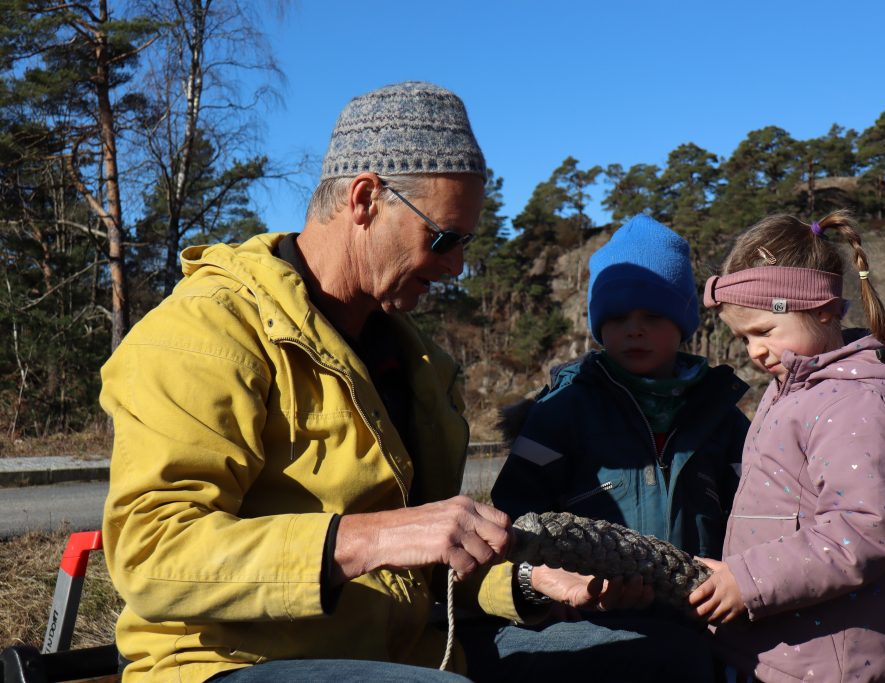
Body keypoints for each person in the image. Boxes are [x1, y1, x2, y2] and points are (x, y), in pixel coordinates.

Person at [99, 81, 625, 683]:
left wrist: (533, 584)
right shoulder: (205, 331)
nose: (455, 267)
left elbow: (426, 564)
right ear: (366, 198)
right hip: (226, 663)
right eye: (445, 239)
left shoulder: (420, 363)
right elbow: (152, 555)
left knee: (660, 656)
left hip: (402, 656)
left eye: (467, 245)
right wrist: (369, 539)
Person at [475, 215, 750, 681]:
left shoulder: (722, 415)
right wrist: (563, 586)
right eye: (618, 317)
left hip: (702, 623)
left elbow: (756, 515)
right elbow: (514, 517)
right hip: (588, 623)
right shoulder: (560, 413)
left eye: (653, 316)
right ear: (598, 325)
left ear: (684, 322)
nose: (634, 330)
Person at [690, 211, 885, 682]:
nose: (754, 351)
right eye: (743, 338)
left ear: (823, 309)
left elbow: (862, 532)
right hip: (779, 648)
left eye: (764, 332)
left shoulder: (857, 406)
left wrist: (746, 581)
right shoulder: (791, 390)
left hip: (832, 663)